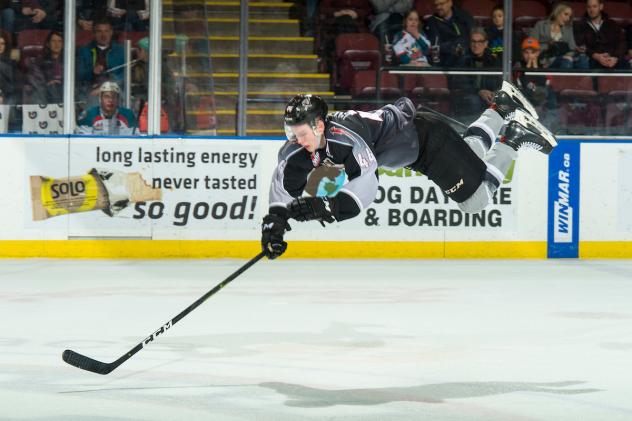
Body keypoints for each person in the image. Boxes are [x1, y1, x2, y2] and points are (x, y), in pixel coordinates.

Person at [260, 84, 558, 259]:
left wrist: (326, 206)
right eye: (291, 133)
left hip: (429, 143)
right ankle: (501, 108)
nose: (296, 140)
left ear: (320, 126)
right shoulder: (298, 148)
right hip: (419, 145)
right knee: (471, 154)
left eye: (301, 133)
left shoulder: (348, 139)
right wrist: (274, 223)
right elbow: (283, 185)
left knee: (475, 200)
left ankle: (513, 138)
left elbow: (366, 185)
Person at [449, 27, 502, 120]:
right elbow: (460, 84)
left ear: (486, 43)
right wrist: (479, 91)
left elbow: (500, 81)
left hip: (489, 96)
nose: (476, 45)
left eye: (480, 41)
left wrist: (494, 93)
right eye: (473, 41)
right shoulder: (463, 60)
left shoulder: (493, 60)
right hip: (467, 98)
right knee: (474, 101)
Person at [513, 36, 558, 131]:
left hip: (543, 104)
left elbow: (546, 85)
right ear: (522, 54)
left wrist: (536, 69)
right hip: (525, 103)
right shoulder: (518, 67)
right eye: (526, 53)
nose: (530, 56)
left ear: (537, 53)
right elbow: (521, 86)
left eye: (533, 52)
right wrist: (527, 69)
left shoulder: (544, 67)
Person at [77, 17, 125, 102]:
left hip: (114, 89)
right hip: (89, 90)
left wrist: (105, 87)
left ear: (111, 32)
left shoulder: (120, 51)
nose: (103, 35)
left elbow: (124, 75)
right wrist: (92, 71)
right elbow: (79, 75)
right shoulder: (84, 50)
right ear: (94, 33)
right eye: (99, 31)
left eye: (106, 31)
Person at [530, 2, 588, 69]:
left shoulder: (568, 29)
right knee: (567, 61)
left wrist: (578, 49)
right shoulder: (541, 25)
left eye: (569, 16)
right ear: (557, 12)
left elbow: (572, 47)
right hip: (545, 58)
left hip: (563, 56)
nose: (568, 18)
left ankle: (587, 79)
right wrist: (548, 47)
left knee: (583, 58)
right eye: (566, 14)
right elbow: (531, 46)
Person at [423, 0, 475, 66]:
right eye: (436, 5)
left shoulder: (464, 17)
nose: (438, 7)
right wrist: (454, 46)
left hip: (464, 55)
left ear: (450, 3)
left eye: (441, 4)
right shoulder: (432, 21)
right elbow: (436, 45)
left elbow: (472, 37)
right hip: (444, 60)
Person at [574, 0, 623, 69]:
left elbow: (621, 42)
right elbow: (580, 45)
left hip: (613, 59)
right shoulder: (580, 25)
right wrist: (596, 56)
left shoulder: (612, 24)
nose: (591, 10)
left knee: (624, 65)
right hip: (592, 59)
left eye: (594, 6)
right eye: (589, 7)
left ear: (601, 7)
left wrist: (615, 57)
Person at [27, 30, 63, 104]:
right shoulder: (39, 61)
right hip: (45, 92)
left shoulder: (69, 61)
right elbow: (34, 79)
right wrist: (48, 83)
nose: (57, 44)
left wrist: (61, 83)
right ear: (48, 44)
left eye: (59, 41)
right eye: (53, 41)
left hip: (63, 90)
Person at [0, 30, 16, 106]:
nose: (0, 46)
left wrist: (2, 95)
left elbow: (12, 86)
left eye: (2, 43)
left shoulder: (10, 63)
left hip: (7, 96)